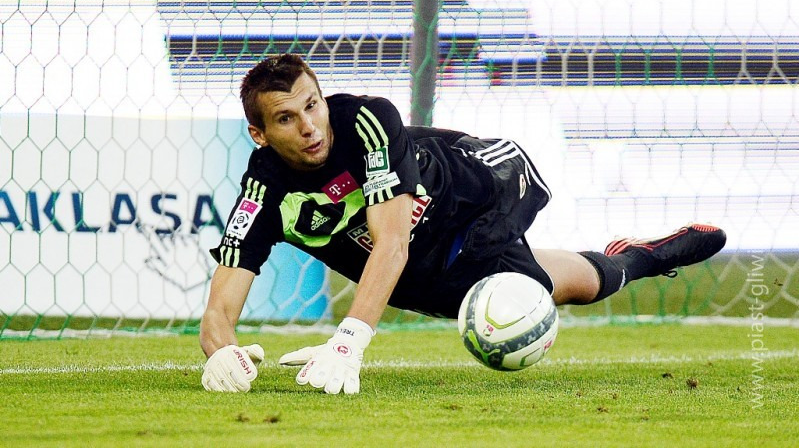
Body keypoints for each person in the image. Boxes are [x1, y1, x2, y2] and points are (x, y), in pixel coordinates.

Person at [199, 53, 727, 395]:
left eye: (312, 106)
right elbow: (219, 308)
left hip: (480, 188)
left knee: (521, 295)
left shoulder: (367, 121)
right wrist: (223, 352)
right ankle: (626, 257)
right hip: (420, 262)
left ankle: (644, 259)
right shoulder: (263, 194)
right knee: (566, 287)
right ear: (259, 134)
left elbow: (390, 243)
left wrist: (348, 341)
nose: (310, 126)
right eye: (287, 118)